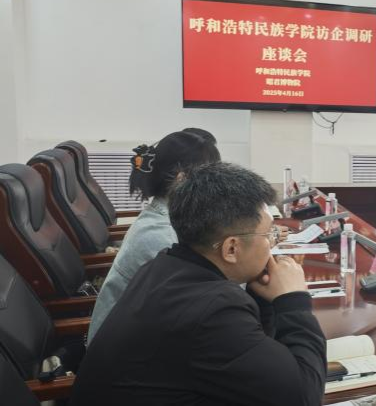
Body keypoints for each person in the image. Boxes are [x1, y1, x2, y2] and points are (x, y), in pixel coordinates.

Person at [71, 162, 327, 405]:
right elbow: (303, 397)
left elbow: (253, 358)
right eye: (269, 233)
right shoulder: (212, 311)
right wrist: (293, 301)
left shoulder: (164, 266)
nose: (272, 242)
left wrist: (263, 298)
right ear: (231, 248)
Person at [86, 129, 220, 343]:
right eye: (211, 177)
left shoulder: (168, 218)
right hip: (126, 354)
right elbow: (206, 300)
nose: (217, 186)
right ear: (182, 180)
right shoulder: (160, 236)